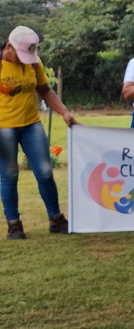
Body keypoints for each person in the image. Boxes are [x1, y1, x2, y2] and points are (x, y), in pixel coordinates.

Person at [1, 26, 77, 239]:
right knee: (9, 174)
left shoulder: (33, 62)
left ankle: (56, 219)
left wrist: (64, 113)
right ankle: (14, 224)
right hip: (4, 127)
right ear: (8, 46)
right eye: (20, 54)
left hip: (31, 125)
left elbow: (45, 90)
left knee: (45, 172)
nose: (25, 59)